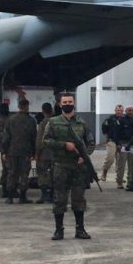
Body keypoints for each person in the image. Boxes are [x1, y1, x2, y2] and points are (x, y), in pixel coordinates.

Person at [43, 92, 95, 240]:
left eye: (70, 102)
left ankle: (80, 229)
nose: (67, 104)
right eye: (64, 102)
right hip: (61, 165)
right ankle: (59, 230)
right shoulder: (53, 122)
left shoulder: (81, 123)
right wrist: (64, 145)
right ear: (60, 104)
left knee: (79, 198)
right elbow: (46, 141)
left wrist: (84, 157)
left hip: (78, 167)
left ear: (74, 103)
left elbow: (90, 143)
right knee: (60, 198)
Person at [1, 98, 37, 204]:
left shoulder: (11, 120)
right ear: (27, 106)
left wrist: (4, 151)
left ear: (18, 106)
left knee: (12, 173)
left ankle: (10, 197)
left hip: (12, 151)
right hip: (25, 152)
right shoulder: (31, 121)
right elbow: (33, 137)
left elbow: (6, 137)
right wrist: (34, 152)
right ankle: (22, 197)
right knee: (24, 174)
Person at [34, 102, 55, 204]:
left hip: (44, 153)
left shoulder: (42, 124)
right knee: (53, 173)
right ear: (52, 111)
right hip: (55, 153)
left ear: (43, 111)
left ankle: (43, 195)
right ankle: (52, 195)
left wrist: (37, 153)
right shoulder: (57, 122)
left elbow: (39, 140)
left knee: (42, 172)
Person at [100, 104, 124, 182]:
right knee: (110, 159)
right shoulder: (110, 119)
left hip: (122, 142)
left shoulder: (125, 119)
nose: (119, 112)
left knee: (120, 161)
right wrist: (108, 137)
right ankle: (104, 172)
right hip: (112, 141)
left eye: (121, 111)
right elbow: (104, 129)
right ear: (115, 111)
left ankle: (119, 177)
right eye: (118, 110)